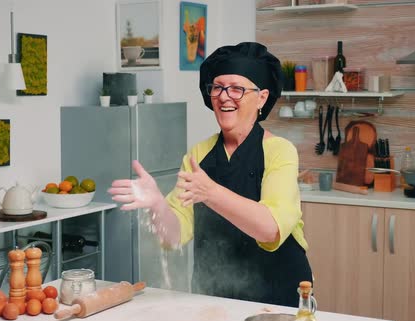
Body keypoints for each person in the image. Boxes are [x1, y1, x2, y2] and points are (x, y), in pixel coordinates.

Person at [108, 42, 312, 307]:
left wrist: (211, 192)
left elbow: (269, 229)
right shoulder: (199, 154)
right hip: (214, 295)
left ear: (261, 97)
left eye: (237, 89)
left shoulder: (280, 151)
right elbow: (174, 236)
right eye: (218, 87)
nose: (224, 96)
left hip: (276, 296)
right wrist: (157, 204)